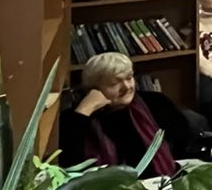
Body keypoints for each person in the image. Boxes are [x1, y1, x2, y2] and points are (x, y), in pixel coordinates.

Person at [60, 52, 201, 174]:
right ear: (93, 89)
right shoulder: (76, 119)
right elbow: (70, 163)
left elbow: (184, 142)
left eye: (129, 78)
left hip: (163, 184)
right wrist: (84, 110)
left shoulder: (155, 103)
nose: (127, 87)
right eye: (115, 83)